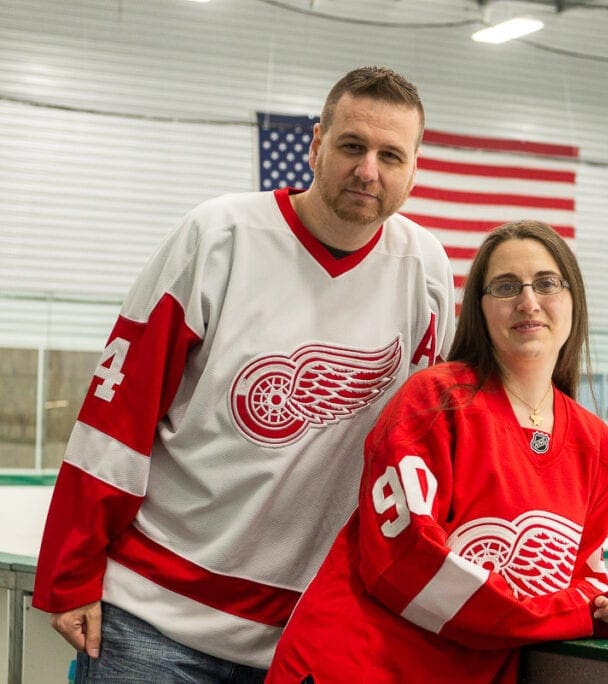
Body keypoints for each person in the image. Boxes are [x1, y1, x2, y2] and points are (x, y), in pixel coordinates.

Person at [32, 66, 455, 681]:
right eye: (352, 146)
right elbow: (116, 415)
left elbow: (429, 450)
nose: (369, 171)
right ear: (315, 144)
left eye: (391, 155)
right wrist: (71, 574)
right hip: (156, 619)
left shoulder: (428, 269)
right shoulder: (219, 235)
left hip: (311, 634)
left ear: (415, 168)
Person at [267, 220, 608, 683]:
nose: (528, 301)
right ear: (479, 308)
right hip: (356, 664)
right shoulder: (436, 400)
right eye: (505, 286)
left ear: (573, 297)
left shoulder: (594, 443)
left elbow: (583, 578)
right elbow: (407, 560)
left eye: (546, 283)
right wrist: (574, 613)